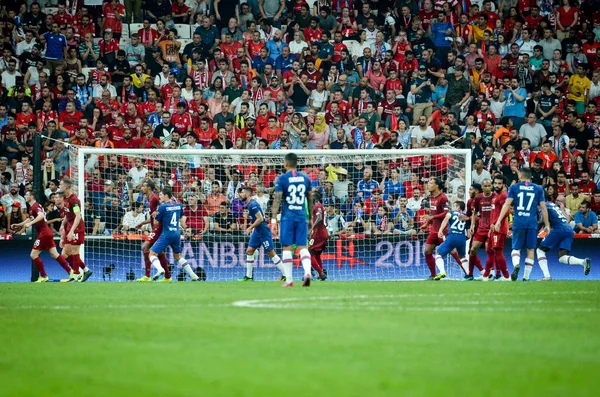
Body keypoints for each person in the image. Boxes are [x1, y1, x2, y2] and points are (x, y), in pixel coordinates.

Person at [494, 168, 550, 281]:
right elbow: (543, 207)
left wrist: (499, 220)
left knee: (516, 248)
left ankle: (516, 266)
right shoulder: (538, 188)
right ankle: (526, 277)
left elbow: (507, 204)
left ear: (520, 176)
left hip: (518, 222)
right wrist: (547, 224)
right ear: (531, 176)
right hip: (532, 223)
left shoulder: (514, 187)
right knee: (530, 250)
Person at [10, 191, 72, 282]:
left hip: (44, 233)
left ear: (32, 196)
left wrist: (30, 224)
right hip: (46, 232)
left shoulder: (35, 206)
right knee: (55, 254)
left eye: (27, 195)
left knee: (33, 254)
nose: (25, 196)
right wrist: (19, 225)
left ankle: (43, 276)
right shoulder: (32, 207)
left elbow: (41, 216)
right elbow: (30, 218)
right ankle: (71, 272)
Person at [272, 153, 313, 287]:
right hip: (302, 216)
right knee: (302, 246)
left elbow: (277, 199)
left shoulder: (282, 179)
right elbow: (310, 198)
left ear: (286, 163)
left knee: (287, 248)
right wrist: (310, 217)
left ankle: (289, 280)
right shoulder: (305, 178)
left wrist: (273, 219)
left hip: (287, 217)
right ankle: (307, 272)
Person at [148, 187, 199, 282]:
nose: (159, 197)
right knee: (178, 256)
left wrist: (155, 214)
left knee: (152, 254)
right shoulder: (179, 205)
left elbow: (156, 223)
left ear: (166, 195)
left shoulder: (162, 207)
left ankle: (160, 270)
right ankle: (193, 275)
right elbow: (181, 217)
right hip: (177, 234)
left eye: (161, 195)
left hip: (167, 234)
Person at [238, 187, 285, 281]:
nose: (240, 194)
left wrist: (249, 228)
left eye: (242, 192)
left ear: (248, 194)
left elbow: (260, 219)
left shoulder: (252, 204)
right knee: (249, 251)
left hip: (263, 230)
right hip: (257, 231)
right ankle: (248, 277)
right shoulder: (250, 204)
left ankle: (286, 275)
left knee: (271, 253)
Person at [537, 201, 591, 280]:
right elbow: (565, 219)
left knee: (540, 251)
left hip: (558, 229)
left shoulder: (542, 206)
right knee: (562, 257)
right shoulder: (552, 204)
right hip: (568, 229)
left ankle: (547, 276)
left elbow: (542, 220)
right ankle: (583, 262)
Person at [422, 177, 463, 280]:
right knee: (427, 251)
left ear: (437, 186)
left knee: (453, 253)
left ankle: (467, 272)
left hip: (443, 231)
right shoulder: (432, 197)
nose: (429, 185)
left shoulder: (443, 198)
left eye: (431, 183)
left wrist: (433, 217)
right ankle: (433, 275)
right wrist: (428, 223)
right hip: (434, 230)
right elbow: (434, 213)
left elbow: (446, 213)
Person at [135, 181, 171, 282]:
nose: (142, 187)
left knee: (145, 247)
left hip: (158, 228)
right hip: (154, 228)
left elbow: (165, 206)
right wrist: (142, 223)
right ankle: (167, 276)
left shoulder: (155, 197)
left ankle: (147, 276)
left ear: (149, 188)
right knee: (159, 252)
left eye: (144, 186)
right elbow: (152, 216)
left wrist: (159, 212)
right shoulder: (149, 198)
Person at [58, 178, 93, 282]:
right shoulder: (65, 198)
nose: (59, 187)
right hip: (69, 227)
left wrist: (72, 230)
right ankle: (86, 270)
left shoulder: (74, 200)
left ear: (66, 187)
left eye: (61, 185)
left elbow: (78, 216)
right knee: (64, 254)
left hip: (77, 228)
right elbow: (68, 215)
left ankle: (76, 275)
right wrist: (62, 224)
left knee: (74, 251)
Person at [467, 179, 495, 280]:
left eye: (489, 186)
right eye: (485, 186)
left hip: (491, 229)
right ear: (482, 188)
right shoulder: (478, 198)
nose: (487, 188)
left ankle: (491, 272)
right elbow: (474, 213)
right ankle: (471, 273)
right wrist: (472, 226)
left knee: (489, 250)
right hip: (480, 228)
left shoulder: (495, 196)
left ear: (491, 186)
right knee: (472, 249)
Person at [434, 201, 470, 280]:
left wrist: (440, 230)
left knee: (438, 253)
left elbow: (446, 219)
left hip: (452, 236)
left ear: (458, 207)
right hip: (462, 238)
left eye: (454, 206)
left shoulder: (451, 213)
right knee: (462, 256)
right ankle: (469, 274)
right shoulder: (466, 217)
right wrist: (462, 239)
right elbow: (469, 235)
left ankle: (442, 271)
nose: (452, 208)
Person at [308, 191, 329, 281]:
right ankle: (321, 274)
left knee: (309, 254)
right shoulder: (320, 206)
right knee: (316, 255)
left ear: (315, 197)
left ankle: (320, 273)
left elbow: (319, 218)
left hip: (319, 233)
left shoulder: (317, 206)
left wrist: (311, 229)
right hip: (323, 232)